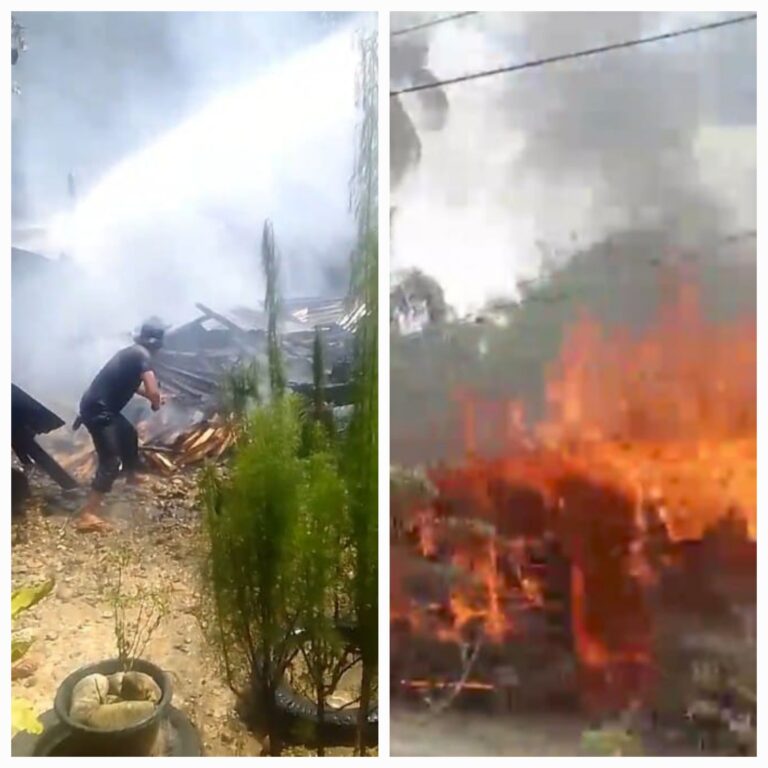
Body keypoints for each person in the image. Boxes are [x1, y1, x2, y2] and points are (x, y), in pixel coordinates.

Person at [74, 321, 166, 532]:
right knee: (111, 461)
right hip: (99, 411)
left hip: (102, 409)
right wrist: (155, 401)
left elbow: (130, 385)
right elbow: (152, 389)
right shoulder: (143, 356)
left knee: (128, 433)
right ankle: (88, 514)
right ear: (158, 344)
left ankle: (132, 477)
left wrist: (154, 397)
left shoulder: (132, 353)